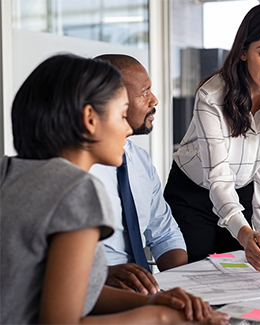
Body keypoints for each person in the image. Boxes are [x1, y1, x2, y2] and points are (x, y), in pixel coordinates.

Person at [0, 54, 229, 324]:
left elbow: (67, 290)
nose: (128, 131)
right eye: (122, 115)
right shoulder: (77, 189)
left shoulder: (12, 173)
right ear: (90, 119)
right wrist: (161, 317)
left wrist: (151, 300)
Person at [164, 3, 260, 272]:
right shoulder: (211, 96)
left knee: (239, 277)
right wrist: (242, 232)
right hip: (193, 193)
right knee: (198, 276)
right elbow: (218, 177)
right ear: (243, 51)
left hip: (243, 191)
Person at [90, 54, 188, 295]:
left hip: (145, 291)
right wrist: (103, 275)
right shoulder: (78, 170)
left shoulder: (139, 159)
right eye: (144, 92)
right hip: (97, 290)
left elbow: (164, 232)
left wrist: (183, 285)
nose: (154, 100)